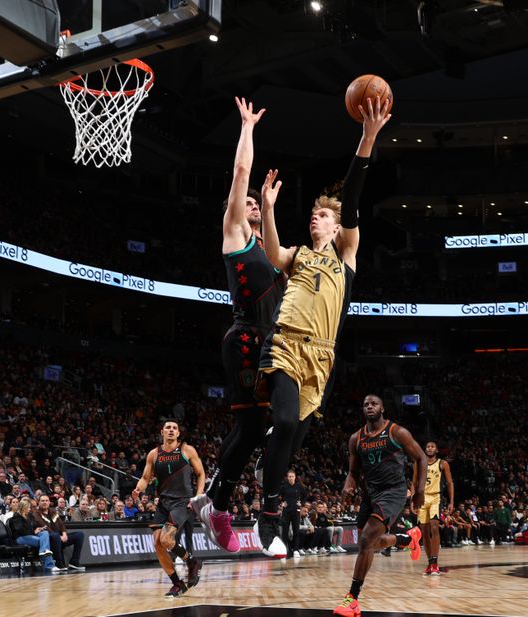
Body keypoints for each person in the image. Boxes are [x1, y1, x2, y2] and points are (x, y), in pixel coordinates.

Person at [254, 95, 392, 557]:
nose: (318, 216)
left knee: (293, 436)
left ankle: (269, 473)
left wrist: (367, 137)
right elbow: (272, 255)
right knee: (286, 420)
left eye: (326, 215)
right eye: (315, 213)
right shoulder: (298, 254)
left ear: (338, 228)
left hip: (323, 356)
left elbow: (352, 195)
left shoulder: (346, 254)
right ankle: (268, 511)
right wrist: (269, 211)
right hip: (285, 345)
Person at [192, 97, 286, 554]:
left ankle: (216, 499)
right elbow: (240, 176)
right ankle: (218, 504)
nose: (250, 203)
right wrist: (248, 128)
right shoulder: (235, 233)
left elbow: (279, 259)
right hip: (245, 339)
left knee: (259, 427)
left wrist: (268, 208)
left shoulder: (269, 250)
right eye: (246, 202)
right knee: (254, 427)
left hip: (269, 343)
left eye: (253, 204)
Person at [333, 394, 427, 617]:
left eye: (374, 403)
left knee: (366, 540)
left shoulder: (397, 432)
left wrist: (419, 491)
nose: (369, 407)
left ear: (382, 408)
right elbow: (353, 472)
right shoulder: (356, 439)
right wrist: (348, 486)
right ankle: (406, 538)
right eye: (365, 404)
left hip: (393, 492)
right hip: (369, 494)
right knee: (370, 545)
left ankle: (352, 600)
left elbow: (421, 458)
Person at [133, 419, 206, 597]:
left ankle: (192, 562)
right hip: (163, 502)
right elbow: (145, 477)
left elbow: (201, 473)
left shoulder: (187, 450)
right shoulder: (154, 454)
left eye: (175, 428)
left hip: (182, 502)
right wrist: (138, 488)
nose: (171, 430)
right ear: (162, 432)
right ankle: (177, 583)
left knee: (166, 539)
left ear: (178, 433)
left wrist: (197, 496)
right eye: (168, 428)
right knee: (158, 543)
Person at [414, 441, 454, 575]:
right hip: (422, 498)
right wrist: (412, 501)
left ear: (436, 450)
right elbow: (414, 483)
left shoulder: (442, 463)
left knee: (435, 527)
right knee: (424, 531)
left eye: (432, 446)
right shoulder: (419, 463)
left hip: (435, 497)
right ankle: (430, 562)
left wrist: (451, 502)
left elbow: (449, 483)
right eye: (427, 447)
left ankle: (435, 562)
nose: (429, 448)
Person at [33, 494, 86, 572]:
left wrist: (64, 533)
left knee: (79, 535)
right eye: (42, 501)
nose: (45, 502)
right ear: (39, 502)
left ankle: (74, 562)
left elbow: (61, 524)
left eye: (46, 501)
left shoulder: (53, 512)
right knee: (55, 535)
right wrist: (59, 536)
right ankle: (59, 563)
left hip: (59, 537)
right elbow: (44, 526)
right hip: (49, 538)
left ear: (49, 502)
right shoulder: (36, 514)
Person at [8, 499, 57, 572]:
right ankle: (49, 565)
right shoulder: (16, 516)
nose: (30, 509)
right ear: (23, 508)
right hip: (21, 538)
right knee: (44, 542)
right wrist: (33, 532)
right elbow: (21, 531)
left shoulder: (29, 515)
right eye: (28, 507)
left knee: (45, 533)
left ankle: (44, 552)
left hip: (30, 535)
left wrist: (39, 529)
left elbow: (34, 525)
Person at [280, 469, 308, 558]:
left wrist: (302, 503)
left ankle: (296, 550)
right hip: (286, 512)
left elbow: (305, 495)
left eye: (292, 476)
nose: (291, 478)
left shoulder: (299, 486)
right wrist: (281, 503)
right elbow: (277, 496)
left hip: (296, 512)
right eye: (289, 476)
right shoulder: (283, 487)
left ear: (295, 477)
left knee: (296, 531)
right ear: (287, 478)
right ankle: (285, 550)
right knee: (285, 532)